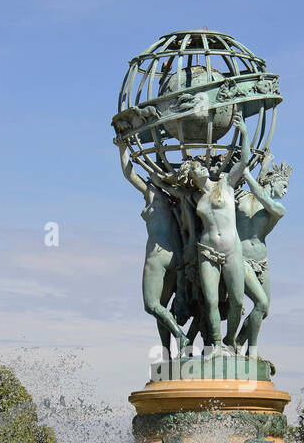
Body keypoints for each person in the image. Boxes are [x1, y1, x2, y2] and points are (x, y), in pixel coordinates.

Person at [181, 113, 251, 351]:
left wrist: (244, 133)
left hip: (231, 249)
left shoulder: (225, 184)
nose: (198, 169)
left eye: (199, 166)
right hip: (206, 250)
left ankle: (231, 341)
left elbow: (244, 162)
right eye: (194, 169)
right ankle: (216, 347)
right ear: (192, 177)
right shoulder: (195, 197)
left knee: (238, 300)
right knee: (210, 301)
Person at [120, 139, 189, 352]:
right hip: (178, 257)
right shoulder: (180, 199)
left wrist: (122, 147)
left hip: (157, 257)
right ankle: (169, 354)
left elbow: (128, 174)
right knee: (163, 308)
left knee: (152, 305)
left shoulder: (154, 195)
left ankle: (179, 336)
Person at [234, 153, 290, 358]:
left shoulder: (277, 208)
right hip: (239, 259)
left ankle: (236, 343)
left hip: (262, 263)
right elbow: (257, 190)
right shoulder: (242, 199)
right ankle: (252, 351)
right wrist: (262, 167)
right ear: (272, 182)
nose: (285, 190)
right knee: (262, 303)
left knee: (264, 310)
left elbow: (261, 195)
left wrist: (248, 175)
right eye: (283, 185)